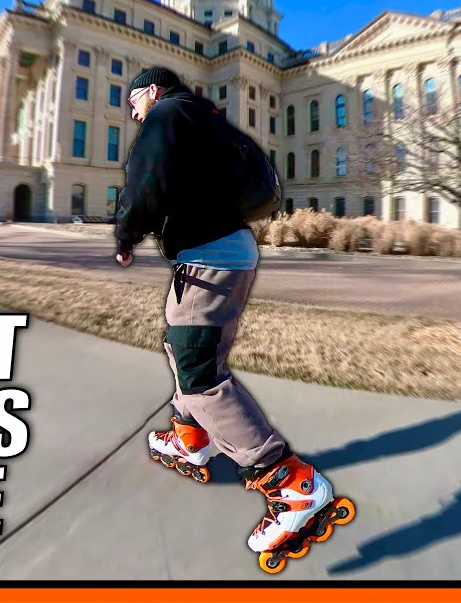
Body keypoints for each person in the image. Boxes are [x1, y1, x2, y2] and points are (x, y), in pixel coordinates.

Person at [113, 66, 335, 555]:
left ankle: (291, 485)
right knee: (183, 351)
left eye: (133, 101)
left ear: (151, 91)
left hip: (208, 259)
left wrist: (126, 233)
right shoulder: (204, 118)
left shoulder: (166, 115)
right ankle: (190, 436)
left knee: (200, 373)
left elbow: (144, 179)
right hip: (221, 253)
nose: (132, 112)